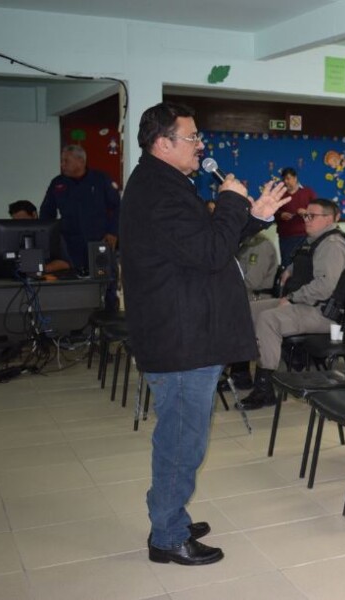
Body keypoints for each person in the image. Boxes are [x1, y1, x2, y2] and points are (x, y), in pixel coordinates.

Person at [120, 101, 288, 566]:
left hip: (187, 332)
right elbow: (213, 252)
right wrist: (234, 199)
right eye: (192, 138)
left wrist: (255, 216)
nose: (201, 146)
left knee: (184, 435)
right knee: (181, 439)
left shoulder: (166, 184)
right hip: (181, 339)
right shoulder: (159, 192)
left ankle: (169, 513)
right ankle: (167, 535)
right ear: (162, 143)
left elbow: (202, 245)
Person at [237, 198, 345, 410]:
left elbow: (324, 287)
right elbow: (304, 262)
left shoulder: (333, 244)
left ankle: (264, 388)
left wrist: (291, 298)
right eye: (305, 215)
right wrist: (290, 270)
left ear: (329, 219)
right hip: (306, 305)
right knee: (247, 310)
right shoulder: (313, 240)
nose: (306, 220)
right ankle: (240, 370)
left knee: (268, 319)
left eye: (312, 216)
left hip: (324, 314)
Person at [39, 144, 120, 272]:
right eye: (62, 161)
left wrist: (113, 232)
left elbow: (118, 207)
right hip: (70, 244)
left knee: (105, 280)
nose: (62, 164)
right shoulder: (58, 183)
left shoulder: (100, 179)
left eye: (66, 161)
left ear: (81, 161)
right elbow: (46, 213)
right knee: (75, 283)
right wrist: (50, 239)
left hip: (99, 240)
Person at [7, 200, 71, 273]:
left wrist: (40, 269)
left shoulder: (53, 233)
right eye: (15, 222)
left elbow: (66, 263)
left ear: (34, 215)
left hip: (49, 280)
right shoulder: (12, 237)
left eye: (23, 220)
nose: (20, 225)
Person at [274, 166, 316, 267]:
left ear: (295, 178)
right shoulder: (279, 195)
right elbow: (272, 213)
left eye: (288, 178)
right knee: (287, 265)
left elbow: (317, 212)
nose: (286, 181)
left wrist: (306, 212)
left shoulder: (308, 192)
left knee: (305, 265)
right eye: (284, 179)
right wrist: (280, 215)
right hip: (286, 237)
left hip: (306, 235)